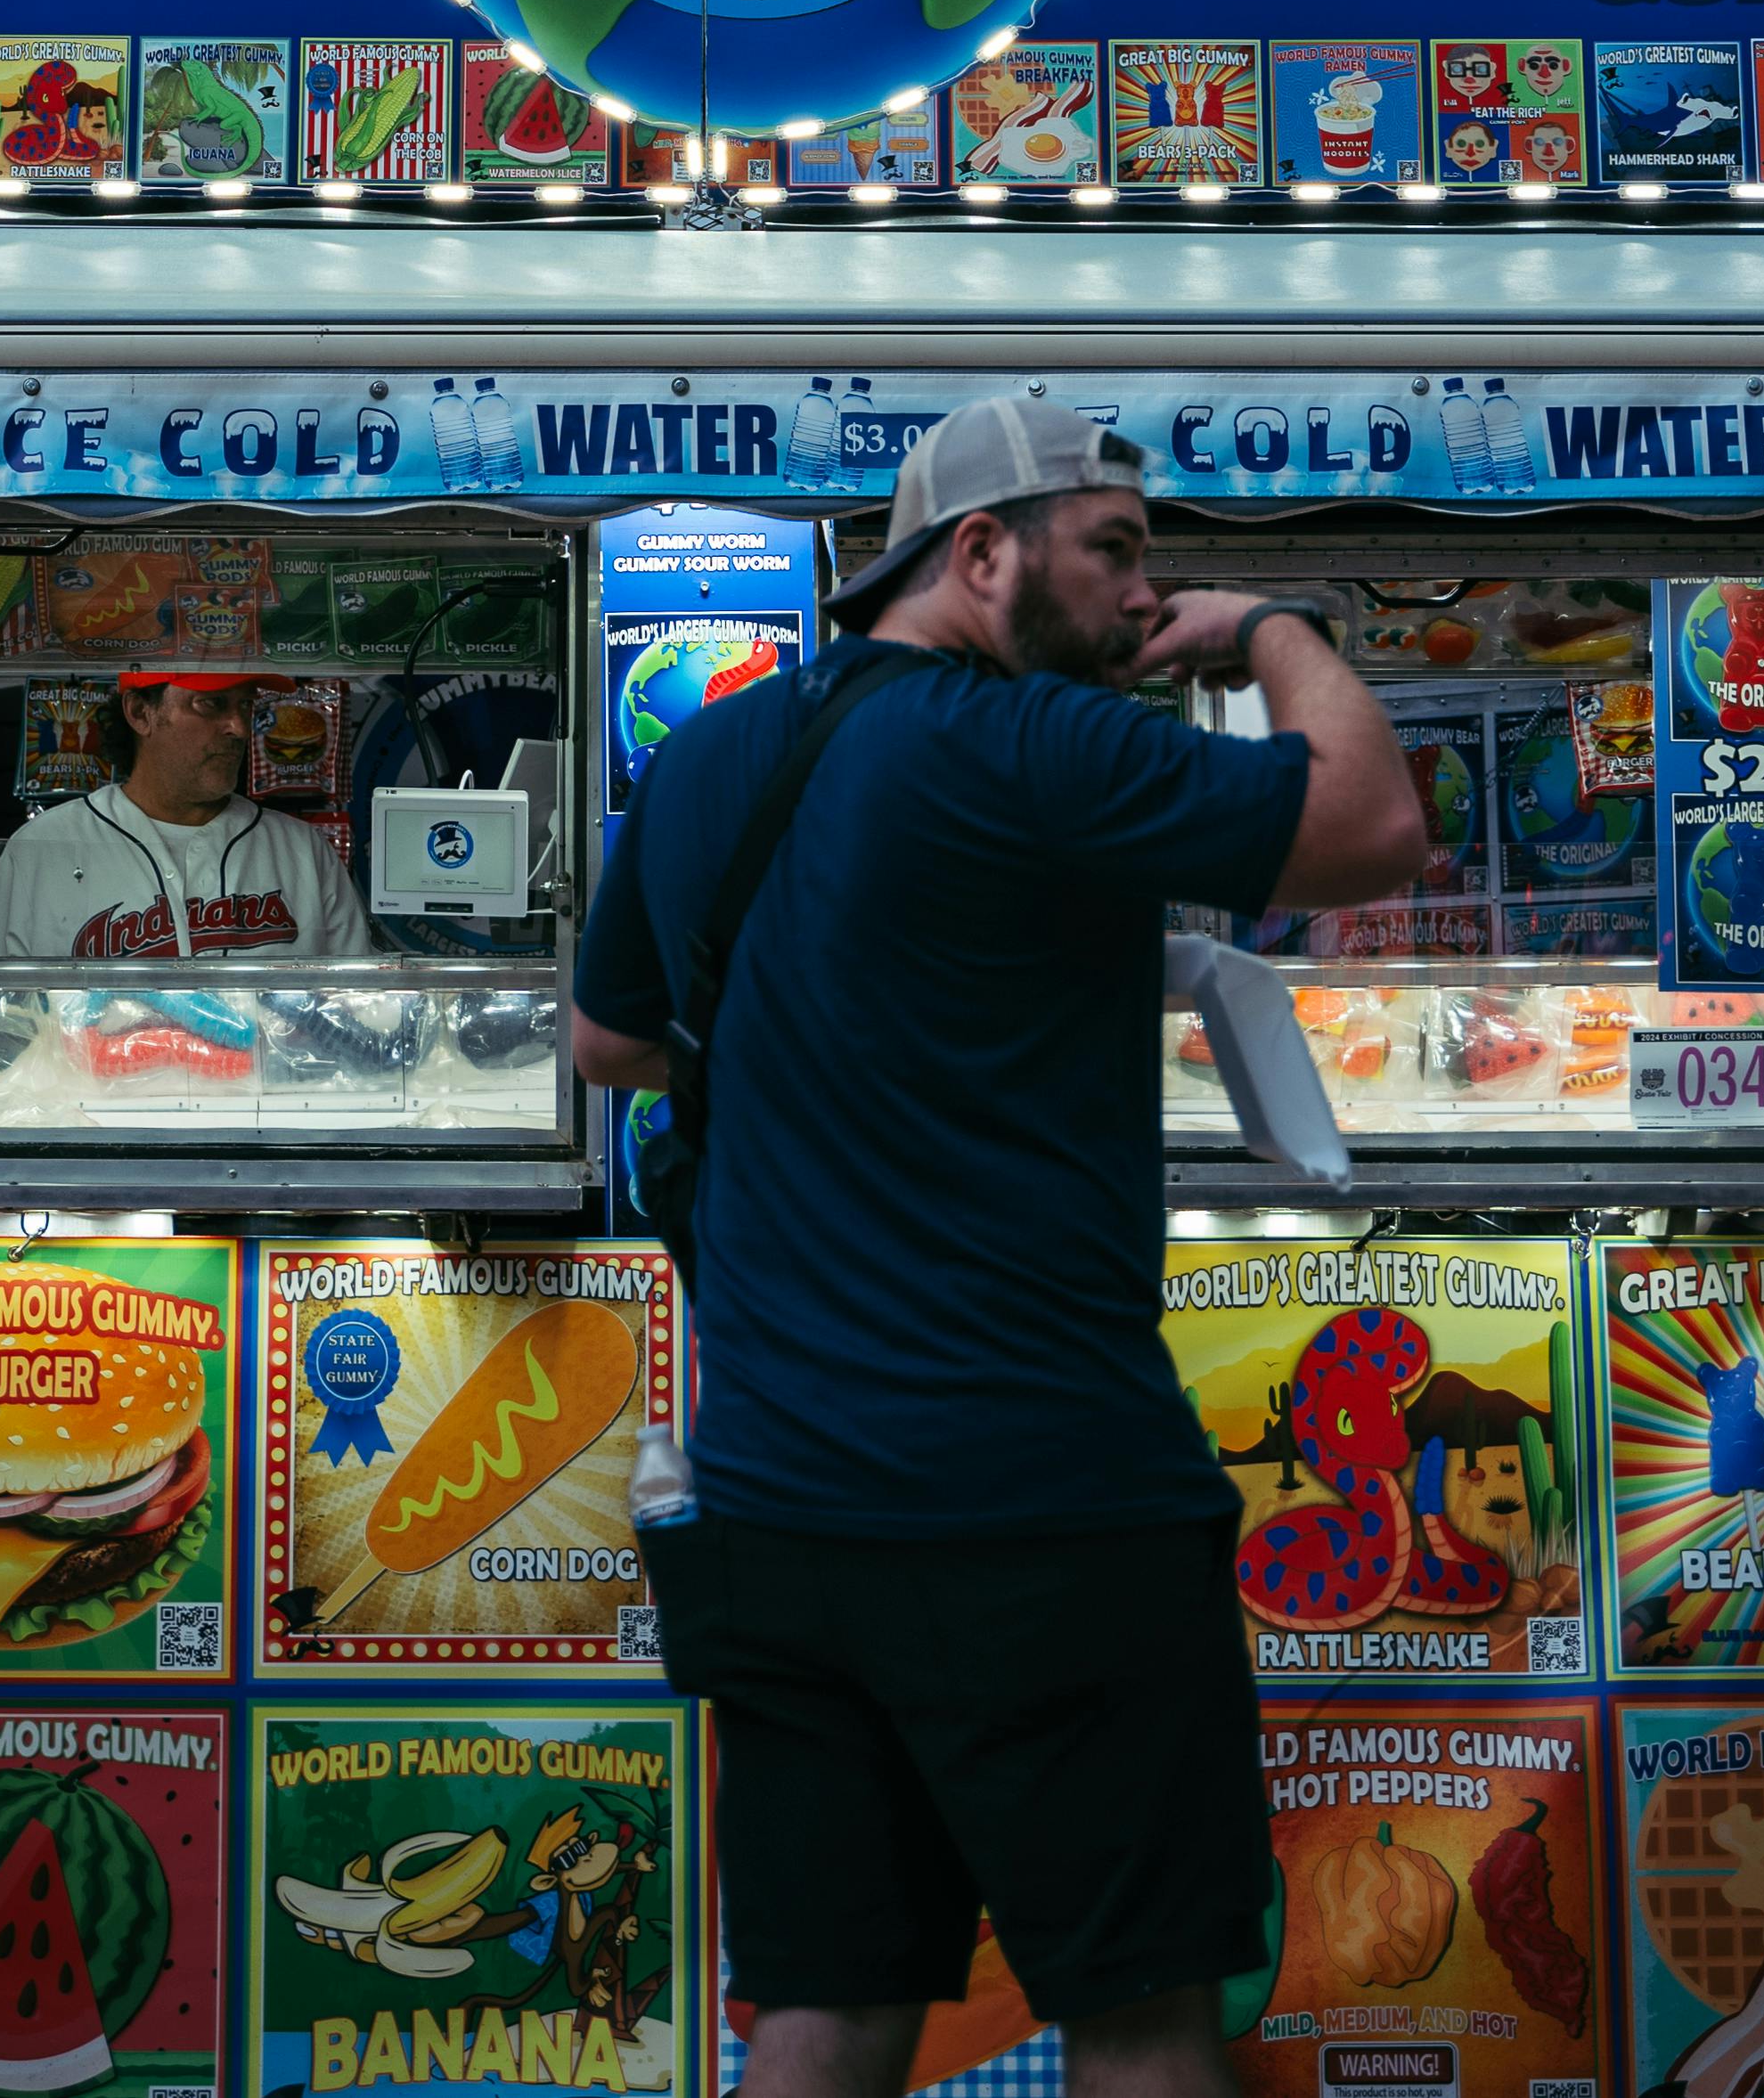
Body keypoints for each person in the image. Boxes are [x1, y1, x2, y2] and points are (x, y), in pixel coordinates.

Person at [571, 393, 1425, 2098]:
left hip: (779, 1511)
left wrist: (859, 1045)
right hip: (1045, 1511)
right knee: (1136, 2013)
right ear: (978, 553)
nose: (1138, 600)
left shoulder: (714, 755)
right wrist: (1271, 627)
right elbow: (1370, 825)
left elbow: (609, 1042)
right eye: (1112, 550)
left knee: (825, 2009)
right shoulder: (1033, 749)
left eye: (1155, 569)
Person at [0, 666, 376, 962]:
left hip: (265, 1092)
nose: (239, 728)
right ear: (140, 712)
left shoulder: (301, 849)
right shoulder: (44, 848)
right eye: (210, 705)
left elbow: (360, 1011)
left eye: (245, 706)